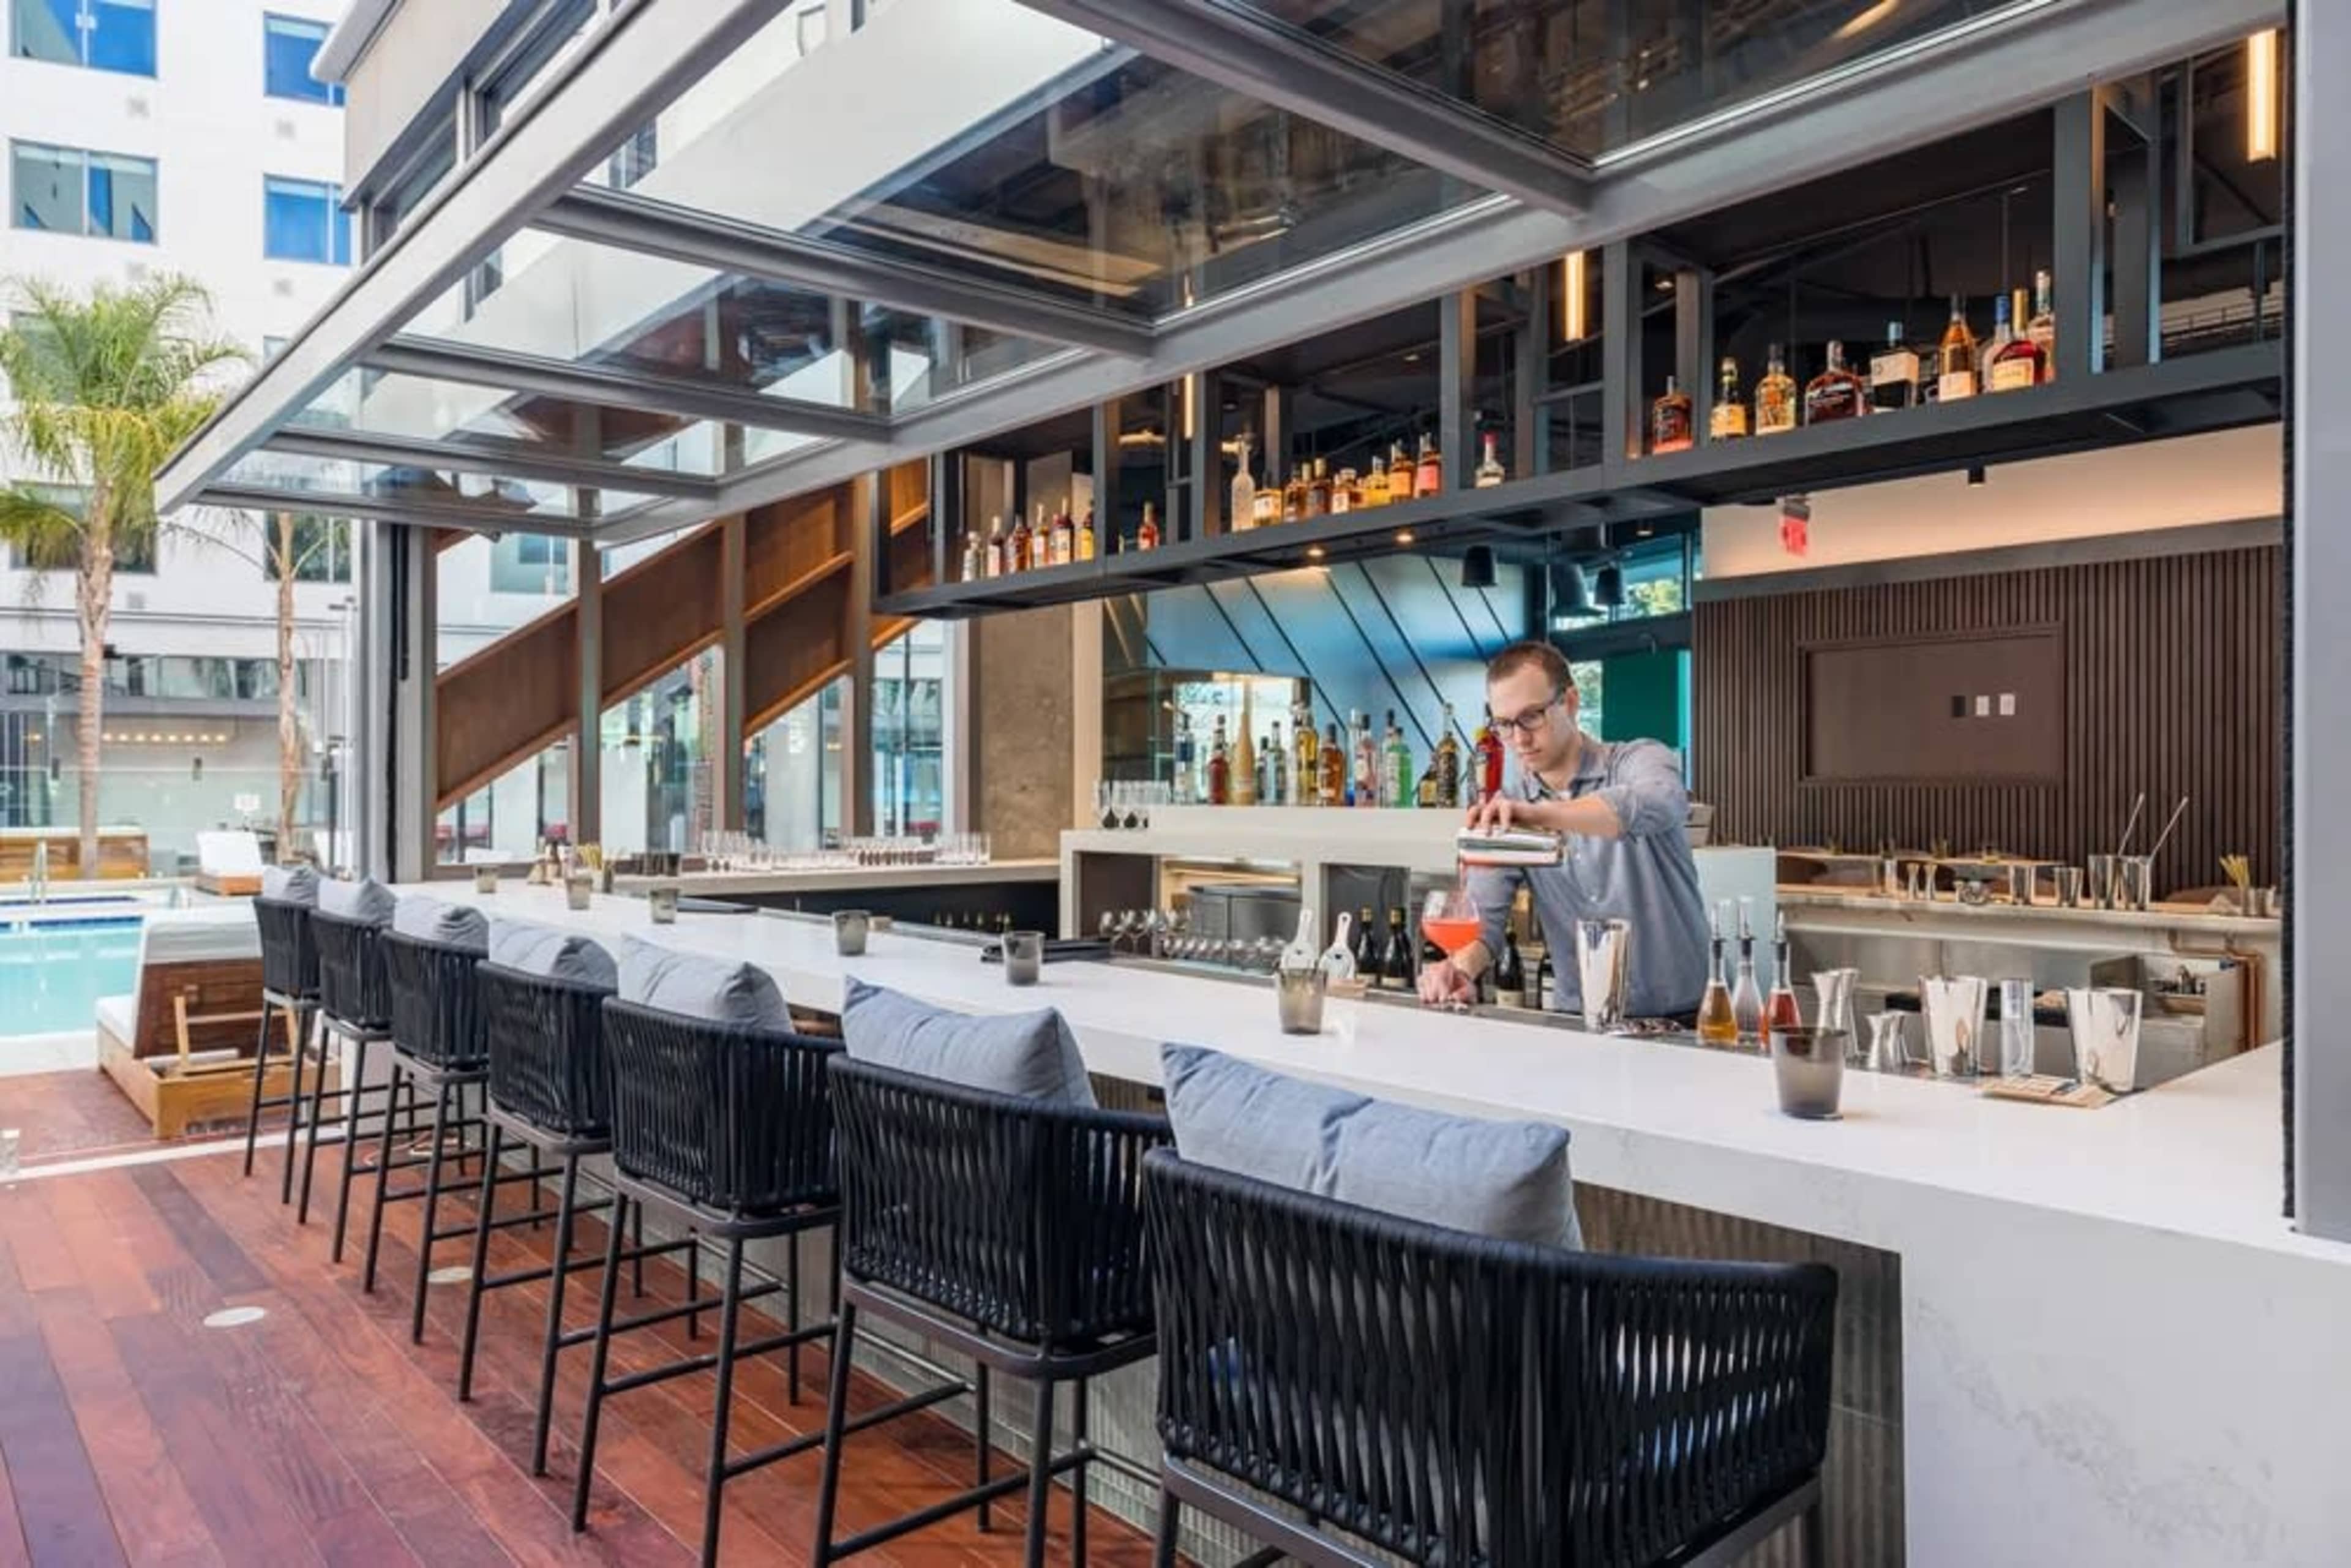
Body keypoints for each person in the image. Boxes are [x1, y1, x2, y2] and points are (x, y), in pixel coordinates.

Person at [1418, 640, 1710, 1019]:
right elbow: (1485, 922)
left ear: (1570, 702)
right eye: (1504, 724)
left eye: (1532, 716)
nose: (1519, 738)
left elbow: (1660, 802)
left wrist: (1542, 815)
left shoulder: (1638, 760)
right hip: (1580, 1018)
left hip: (1683, 1018)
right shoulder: (1512, 804)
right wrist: (1459, 969)